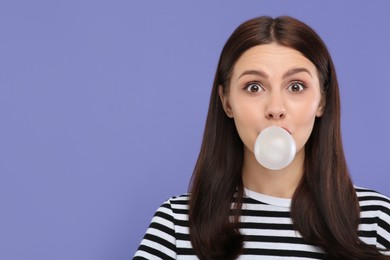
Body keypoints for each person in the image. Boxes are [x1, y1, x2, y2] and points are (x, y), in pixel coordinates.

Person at [133, 16, 390, 259]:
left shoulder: (377, 220)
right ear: (227, 102)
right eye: (254, 87)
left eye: (296, 86)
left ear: (321, 101)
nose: (275, 108)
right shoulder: (177, 224)